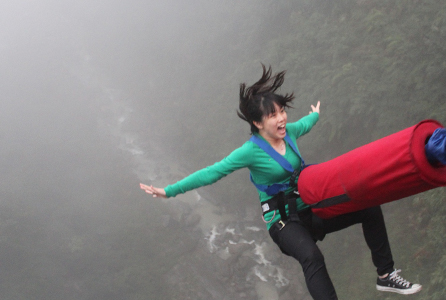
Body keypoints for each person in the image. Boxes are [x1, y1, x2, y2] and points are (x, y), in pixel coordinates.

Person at [140, 65, 421, 299]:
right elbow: (213, 172)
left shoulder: (290, 133)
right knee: (312, 256)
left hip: (311, 209)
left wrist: (316, 114)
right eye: (273, 115)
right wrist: (169, 191)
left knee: (369, 207)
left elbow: (306, 124)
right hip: (283, 223)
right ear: (257, 122)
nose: (282, 118)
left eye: (282, 111)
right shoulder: (250, 151)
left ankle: (386, 275)